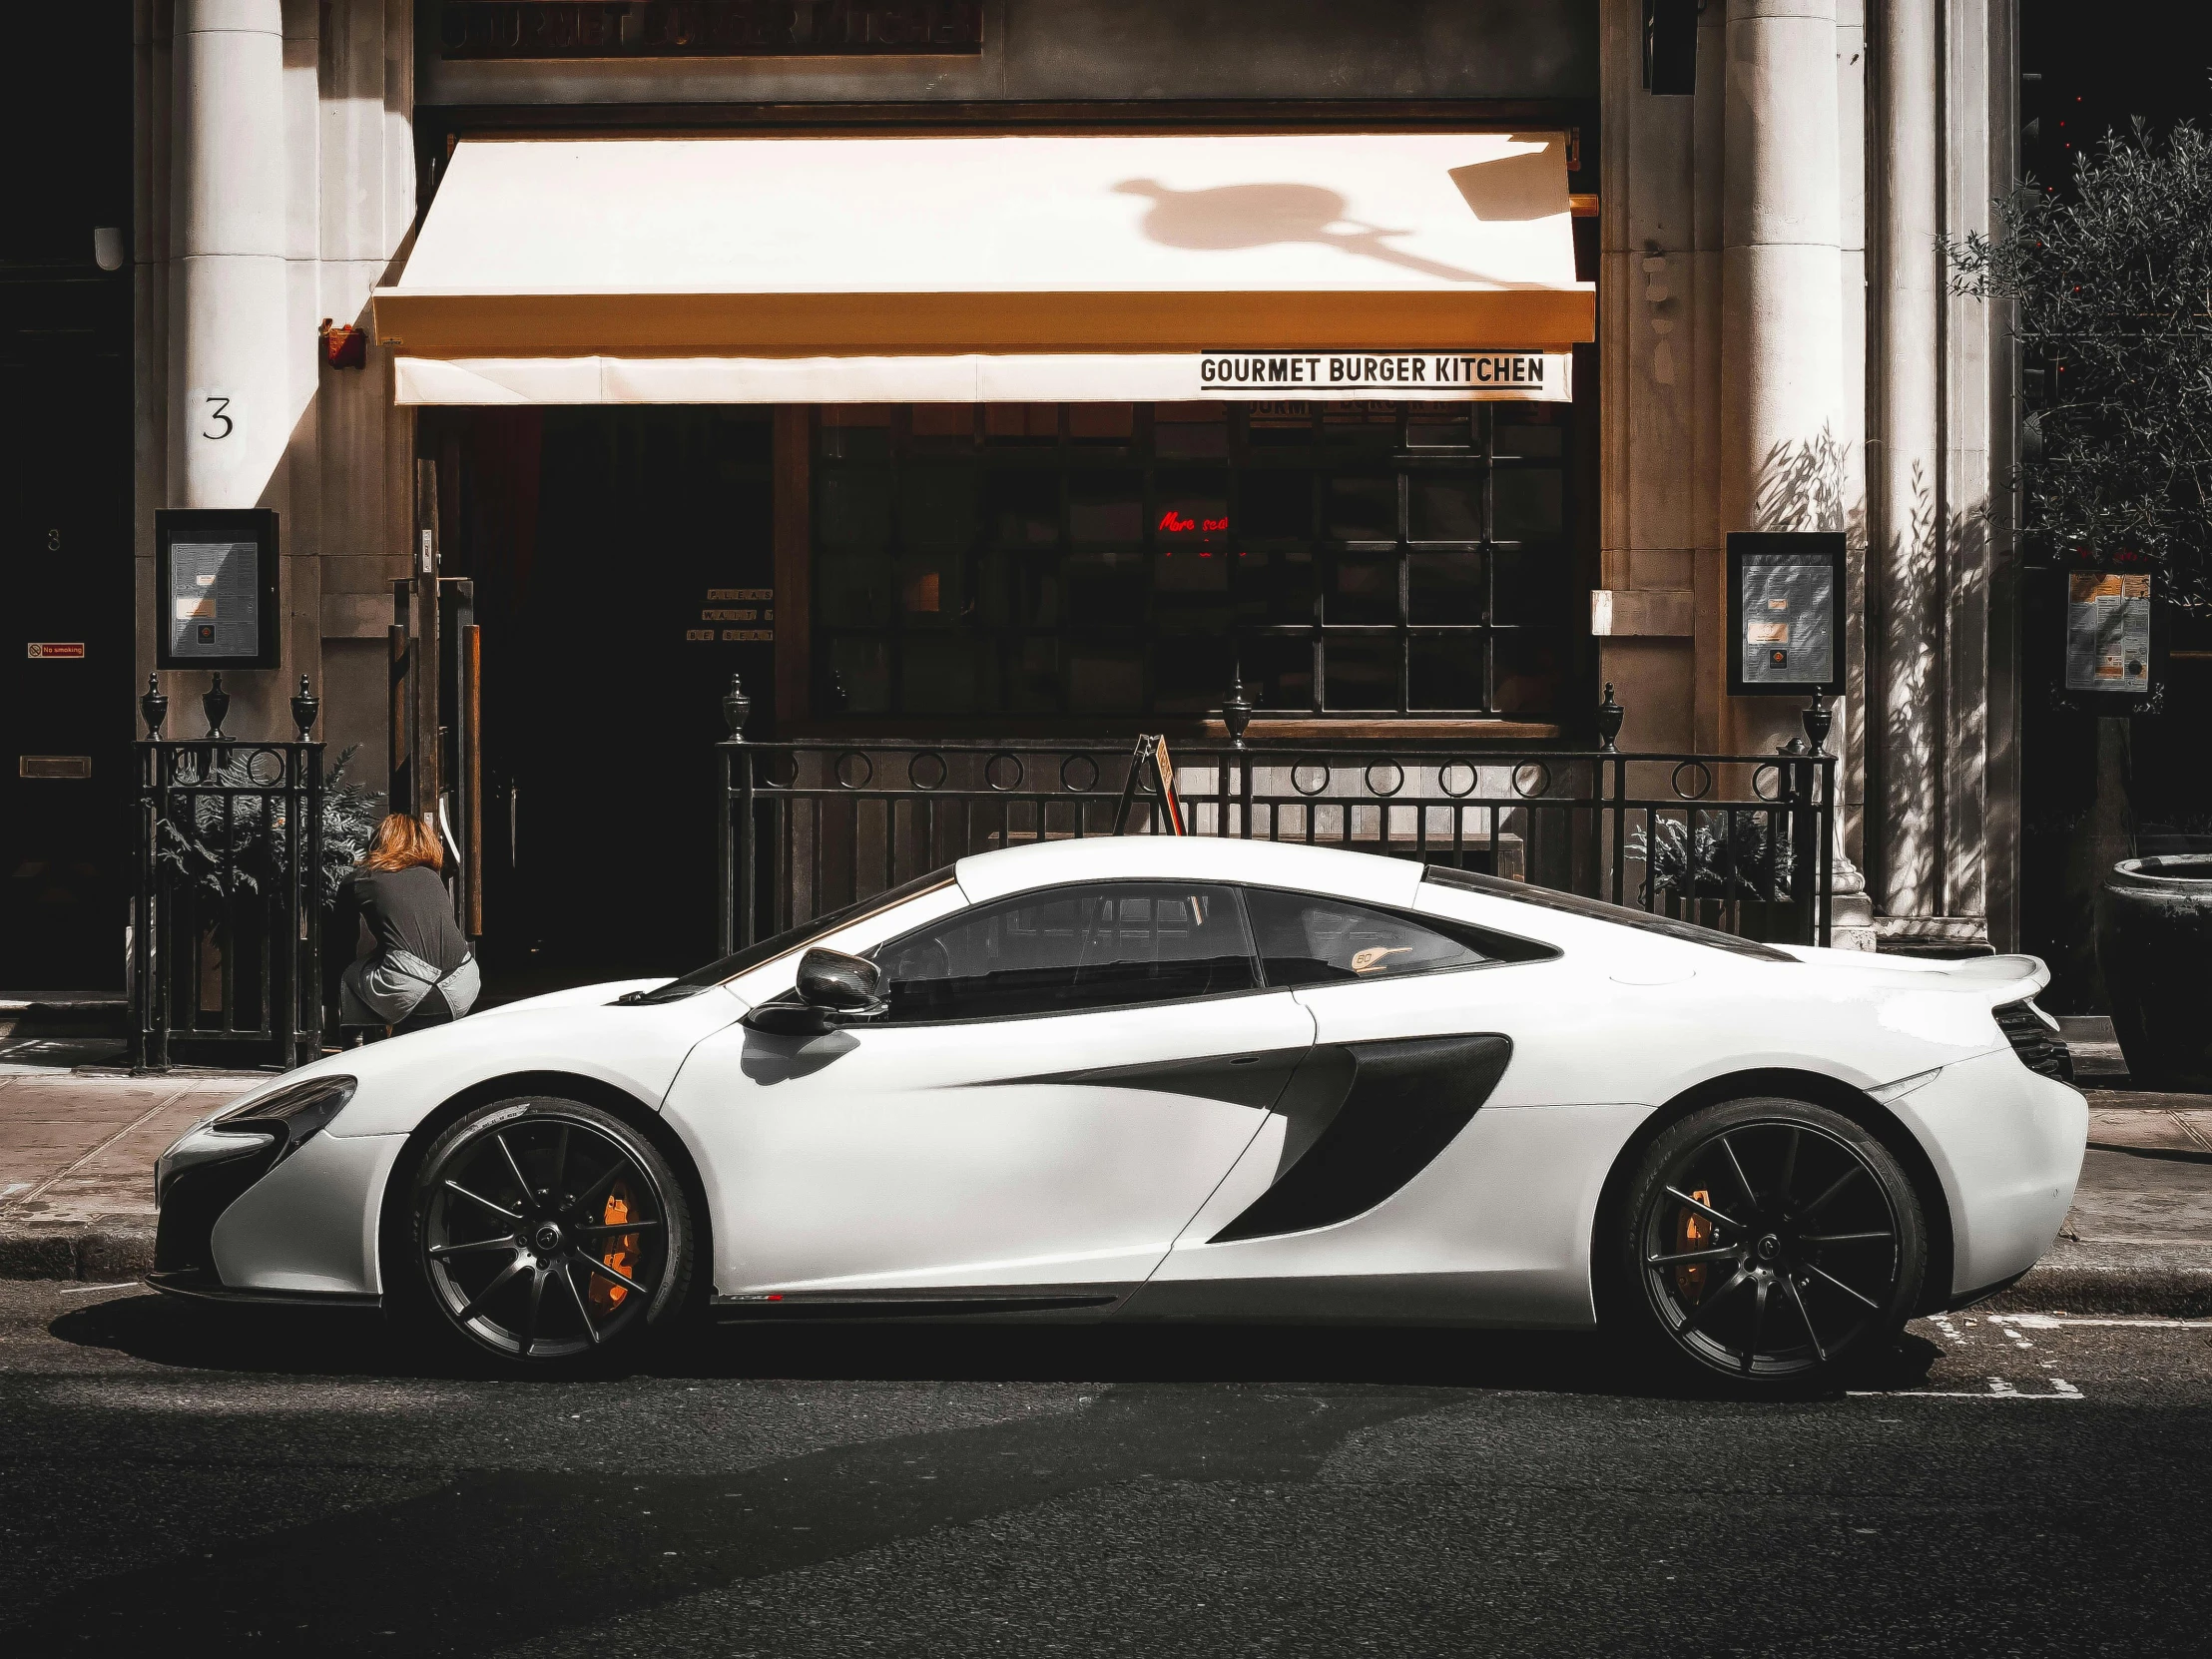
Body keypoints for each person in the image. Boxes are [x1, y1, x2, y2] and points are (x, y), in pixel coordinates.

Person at [333, 814, 478, 1038]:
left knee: (349, 974)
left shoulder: (362, 878)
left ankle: (358, 1044)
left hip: (409, 985)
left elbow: (342, 941)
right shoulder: (432, 876)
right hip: (463, 982)